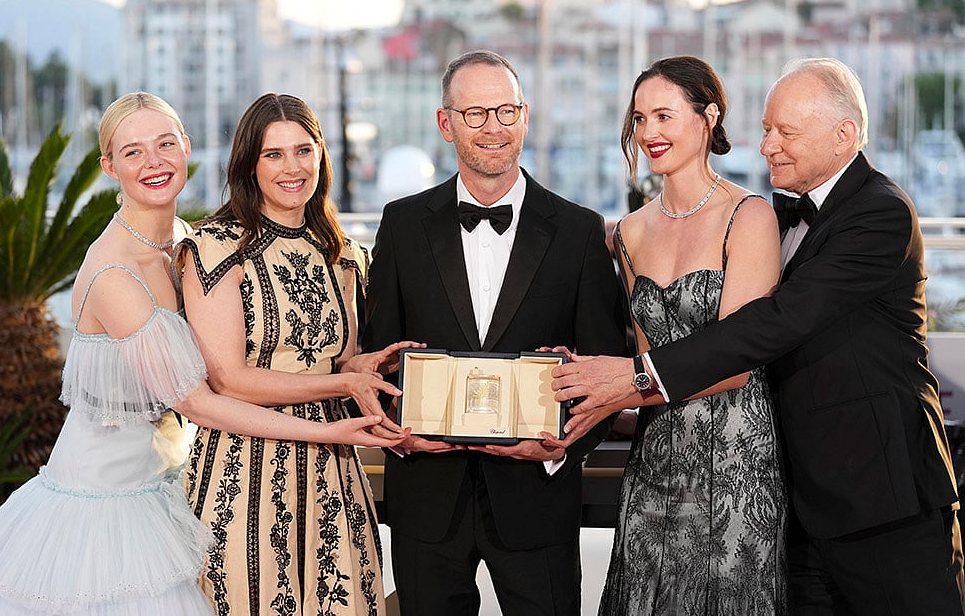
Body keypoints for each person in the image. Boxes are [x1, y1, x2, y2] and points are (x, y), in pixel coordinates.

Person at [552, 57, 965, 614]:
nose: (767, 145)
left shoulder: (880, 214)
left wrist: (632, 380)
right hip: (797, 494)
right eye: (767, 129)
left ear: (845, 135)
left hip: (882, 499)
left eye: (784, 132)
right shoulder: (774, 213)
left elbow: (771, 326)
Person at [0, 92, 402, 614]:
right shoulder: (114, 271)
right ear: (109, 166)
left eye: (165, 144)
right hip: (107, 501)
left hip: (171, 481)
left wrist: (354, 365)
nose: (154, 162)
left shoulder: (185, 241)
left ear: (187, 148)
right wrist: (329, 427)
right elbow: (199, 400)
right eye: (132, 152)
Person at [361, 49, 628, 616]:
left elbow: (607, 369)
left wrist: (560, 450)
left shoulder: (579, 231)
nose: (494, 129)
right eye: (476, 114)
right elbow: (376, 354)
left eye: (506, 112)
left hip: (538, 498)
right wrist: (396, 435)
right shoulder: (402, 224)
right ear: (446, 122)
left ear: (525, 116)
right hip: (426, 497)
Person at [177, 93, 413, 615]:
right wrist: (343, 383)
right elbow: (229, 380)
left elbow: (339, 357)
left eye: (303, 150)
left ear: (322, 156)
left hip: (334, 470)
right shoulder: (213, 248)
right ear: (248, 164)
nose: (292, 168)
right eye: (273, 154)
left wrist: (364, 368)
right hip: (242, 476)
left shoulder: (346, 253)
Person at [592, 55, 787, 613]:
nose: (649, 133)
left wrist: (619, 387)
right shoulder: (628, 232)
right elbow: (647, 350)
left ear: (709, 117)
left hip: (735, 465)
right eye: (639, 119)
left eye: (664, 116)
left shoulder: (749, 215)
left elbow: (738, 361)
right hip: (654, 462)